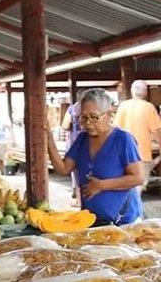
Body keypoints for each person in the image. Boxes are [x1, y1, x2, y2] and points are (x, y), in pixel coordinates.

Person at [47, 88, 144, 226]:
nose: (88, 123)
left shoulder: (123, 139)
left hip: (123, 221)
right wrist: (49, 139)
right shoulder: (82, 139)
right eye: (84, 117)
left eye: (94, 117)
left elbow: (138, 177)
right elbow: (63, 169)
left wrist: (102, 185)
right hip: (91, 219)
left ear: (109, 114)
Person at [114, 80, 161, 193]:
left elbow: (115, 129)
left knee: (125, 185)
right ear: (145, 92)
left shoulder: (123, 106)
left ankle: (125, 210)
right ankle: (134, 210)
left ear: (131, 91)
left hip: (123, 153)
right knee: (138, 186)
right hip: (142, 154)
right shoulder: (148, 107)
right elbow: (156, 132)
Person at [61, 98, 82, 206]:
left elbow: (65, 125)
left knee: (77, 172)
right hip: (93, 143)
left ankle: (79, 200)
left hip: (75, 142)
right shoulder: (96, 107)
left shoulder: (72, 108)